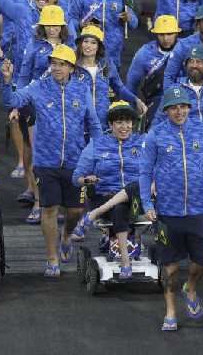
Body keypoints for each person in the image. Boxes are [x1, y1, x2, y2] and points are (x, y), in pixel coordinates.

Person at [0, 44, 101, 277]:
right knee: (49, 210)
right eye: (54, 63)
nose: (56, 68)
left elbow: (94, 124)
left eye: (62, 64)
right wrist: (7, 81)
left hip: (76, 162)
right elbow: (12, 100)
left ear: (71, 68)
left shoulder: (82, 89)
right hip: (45, 162)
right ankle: (51, 258)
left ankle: (66, 236)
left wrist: (96, 153)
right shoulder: (38, 86)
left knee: (75, 211)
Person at [140, 86, 203, 331]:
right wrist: (147, 203)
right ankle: (170, 311)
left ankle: (191, 287)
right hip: (168, 213)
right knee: (170, 268)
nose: (179, 112)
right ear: (166, 110)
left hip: (199, 211)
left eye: (183, 106)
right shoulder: (155, 135)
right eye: (174, 108)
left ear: (189, 107)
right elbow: (145, 171)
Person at [71, 101, 144, 278]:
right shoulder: (96, 145)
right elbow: (76, 179)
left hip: (137, 200)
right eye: (119, 122)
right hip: (105, 196)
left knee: (135, 186)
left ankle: (92, 216)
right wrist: (87, 179)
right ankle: (125, 261)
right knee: (119, 208)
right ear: (110, 125)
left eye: (128, 122)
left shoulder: (143, 142)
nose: (124, 127)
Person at [125, 14, 181, 127]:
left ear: (176, 33)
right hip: (155, 101)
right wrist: (129, 112)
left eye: (169, 34)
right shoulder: (145, 52)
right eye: (161, 34)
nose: (166, 39)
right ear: (155, 34)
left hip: (182, 100)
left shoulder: (185, 48)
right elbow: (131, 84)